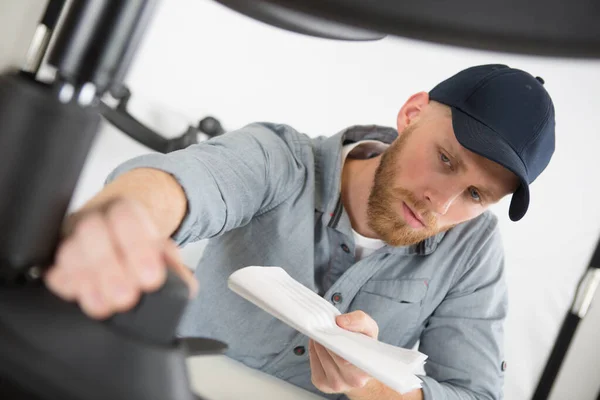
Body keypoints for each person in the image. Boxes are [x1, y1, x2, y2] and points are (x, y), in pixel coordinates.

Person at [44, 64, 555, 400]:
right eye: (446, 160)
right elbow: (185, 185)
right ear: (411, 114)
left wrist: (375, 383)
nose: (441, 205)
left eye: (476, 196)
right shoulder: (283, 158)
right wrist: (126, 217)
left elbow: (476, 394)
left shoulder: (473, 250)